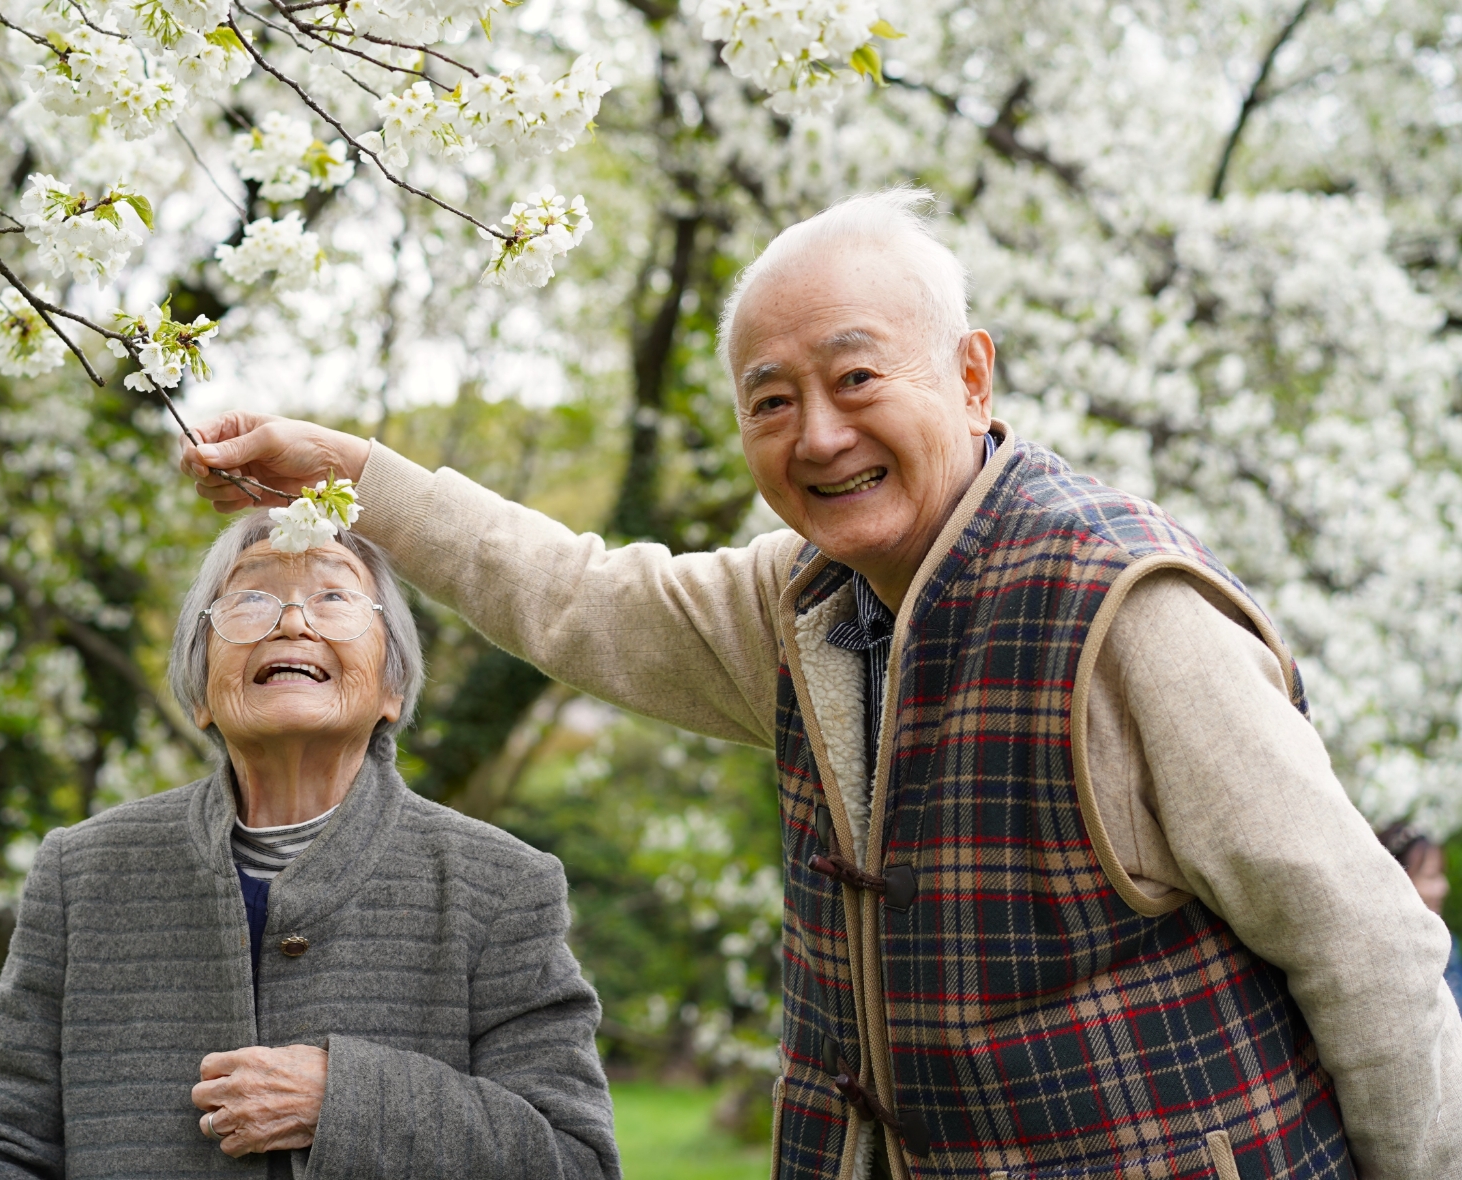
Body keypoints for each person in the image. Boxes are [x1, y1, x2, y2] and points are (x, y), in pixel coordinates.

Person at [180, 187, 1462, 1180]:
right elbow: (569, 592)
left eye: (855, 377)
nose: (819, 435)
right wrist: (353, 471)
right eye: (771, 400)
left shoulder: (1128, 610)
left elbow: (1366, 948)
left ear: (968, 374)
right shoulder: (792, 604)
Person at [0, 516, 620, 1180]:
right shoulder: (81, 875)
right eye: (251, 599)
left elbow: (576, 1159)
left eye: (334, 597)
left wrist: (343, 1102)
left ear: (392, 686)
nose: (292, 622)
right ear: (202, 690)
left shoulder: (501, 887)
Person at [1377, 821, 1462, 1011]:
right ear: (1398, 879)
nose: (1443, 887)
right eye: (1431, 876)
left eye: (1441, 873)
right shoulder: (1384, 956)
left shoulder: (1449, 943)